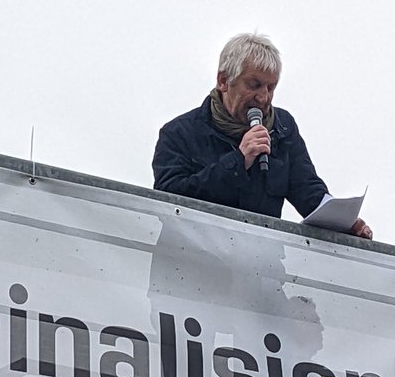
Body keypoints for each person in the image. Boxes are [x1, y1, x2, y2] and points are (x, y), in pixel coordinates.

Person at [153, 32, 372, 238]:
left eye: (271, 88)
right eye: (254, 85)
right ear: (223, 81)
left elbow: (308, 192)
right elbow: (169, 201)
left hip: (262, 266)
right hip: (192, 265)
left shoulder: (283, 129)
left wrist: (345, 222)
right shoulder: (178, 134)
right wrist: (239, 161)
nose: (263, 98)